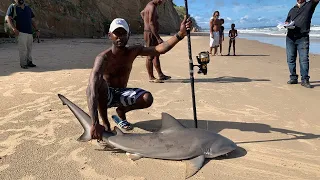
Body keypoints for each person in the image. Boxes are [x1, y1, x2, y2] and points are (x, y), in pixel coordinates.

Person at [88, 17, 192, 140]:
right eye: (117, 33)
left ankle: (122, 110)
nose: (120, 37)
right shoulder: (103, 58)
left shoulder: (133, 51)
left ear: (129, 35)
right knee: (97, 86)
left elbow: (159, 49)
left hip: (122, 93)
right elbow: (91, 90)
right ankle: (106, 124)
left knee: (147, 98)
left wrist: (180, 34)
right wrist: (94, 123)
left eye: (123, 33)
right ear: (110, 35)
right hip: (106, 95)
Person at [285, 0, 319, 88]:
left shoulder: (309, 5)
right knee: (290, 59)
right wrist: (286, 24)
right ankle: (293, 78)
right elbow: (287, 21)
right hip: (290, 38)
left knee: (304, 59)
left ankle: (305, 80)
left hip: (303, 37)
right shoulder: (292, 9)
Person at [140, 0, 171, 83]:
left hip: (150, 32)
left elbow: (142, 13)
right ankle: (151, 77)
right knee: (150, 56)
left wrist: (144, 20)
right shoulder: (152, 6)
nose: (162, 2)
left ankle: (160, 75)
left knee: (156, 54)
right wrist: (158, 38)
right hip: (150, 34)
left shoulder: (149, 5)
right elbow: (151, 23)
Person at [5, 0, 40, 69]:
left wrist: (36, 29)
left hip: (30, 32)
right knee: (23, 49)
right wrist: (14, 29)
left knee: (29, 48)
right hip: (20, 32)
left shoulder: (28, 8)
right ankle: (23, 64)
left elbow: (32, 20)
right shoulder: (12, 7)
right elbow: (8, 18)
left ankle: (29, 62)